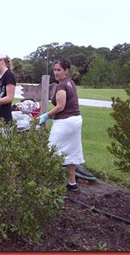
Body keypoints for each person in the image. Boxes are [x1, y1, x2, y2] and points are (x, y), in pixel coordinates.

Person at [38, 59, 85, 192]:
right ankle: (72, 184)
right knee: (71, 152)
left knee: (50, 150)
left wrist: (45, 116)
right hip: (76, 121)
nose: (56, 72)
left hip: (65, 122)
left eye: (59, 70)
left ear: (66, 70)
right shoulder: (70, 83)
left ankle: (48, 185)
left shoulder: (62, 86)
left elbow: (60, 106)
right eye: (55, 70)